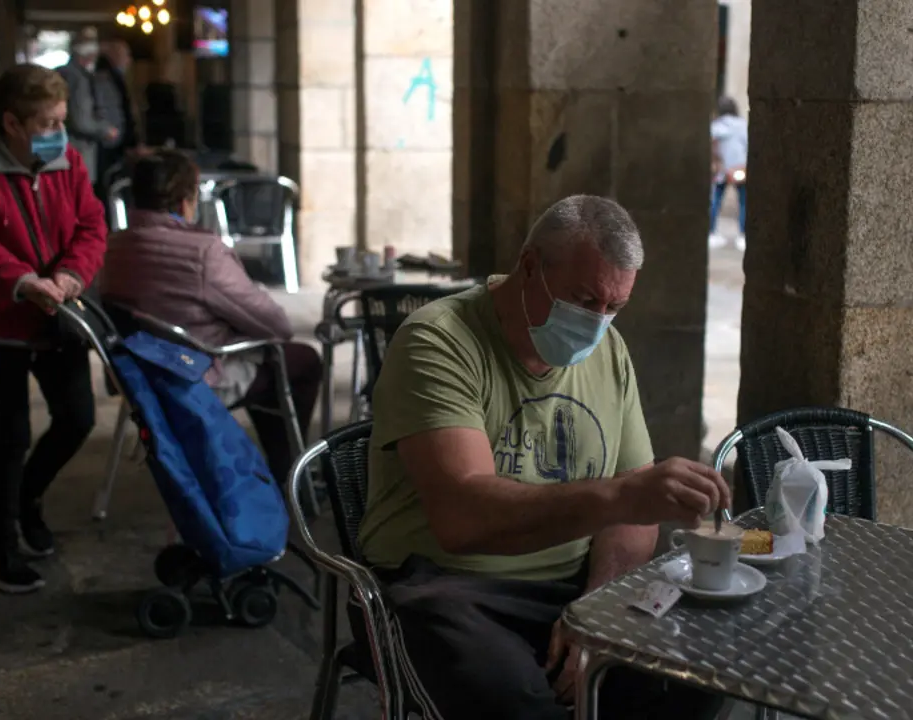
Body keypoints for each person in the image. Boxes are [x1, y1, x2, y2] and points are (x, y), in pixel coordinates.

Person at [358, 195, 731, 720]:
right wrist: (621, 497)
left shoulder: (609, 352)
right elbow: (463, 518)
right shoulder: (439, 342)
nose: (597, 323)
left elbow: (633, 520)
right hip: (443, 584)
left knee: (698, 673)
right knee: (511, 698)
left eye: (614, 308)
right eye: (584, 299)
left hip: (572, 585)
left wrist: (595, 609)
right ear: (530, 266)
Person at [0, 64, 107, 593]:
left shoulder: (67, 160)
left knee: (77, 418)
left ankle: (27, 497)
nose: (59, 132)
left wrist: (71, 274)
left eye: (62, 120)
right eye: (47, 123)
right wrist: (22, 281)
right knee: (8, 436)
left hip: (58, 314)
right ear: (11, 123)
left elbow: (92, 224)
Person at [98, 150, 322, 484]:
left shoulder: (112, 248)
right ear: (185, 200)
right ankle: (287, 475)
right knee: (300, 361)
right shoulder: (203, 252)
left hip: (138, 378)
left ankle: (277, 474)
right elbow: (275, 325)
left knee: (271, 361)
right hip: (194, 377)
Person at [58, 27, 118, 189]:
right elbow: (81, 121)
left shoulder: (63, 73)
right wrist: (106, 130)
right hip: (79, 152)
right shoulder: (78, 79)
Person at [94, 39, 143, 202]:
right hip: (110, 143)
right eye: (126, 55)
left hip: (117, 142)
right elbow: (113, 112)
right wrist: (127, 141)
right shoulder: (104, 79)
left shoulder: (115, 78)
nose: (129, 60)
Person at [710, 96, 748, 252]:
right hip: (740, 169)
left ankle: (711, 233)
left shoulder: (717, 125)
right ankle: (742, 235)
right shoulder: (742, 125)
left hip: (722, 170)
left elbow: (712, 143)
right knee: (743, 202)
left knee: (715, 200)